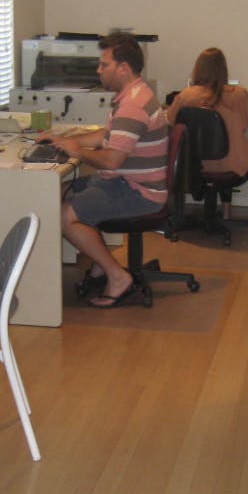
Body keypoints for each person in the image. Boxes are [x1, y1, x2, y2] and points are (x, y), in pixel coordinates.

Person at [39, 32, 169, 308]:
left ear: (123, 68)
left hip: (138, 191)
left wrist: (78, 152)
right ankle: (100, 264)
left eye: (104, 65)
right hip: (127, 183)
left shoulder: (133, 105)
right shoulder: (134, 94)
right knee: (56, 193)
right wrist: (69, 141)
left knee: (62, 215)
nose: (99, 71)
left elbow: (111, 160)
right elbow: (107, 136)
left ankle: (117, 276)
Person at [166, 47, 248, 177]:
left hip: (195, 165)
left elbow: (170, 121)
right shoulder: (239, 95)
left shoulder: (186, 96)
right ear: (223, 69)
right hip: (233, 165)